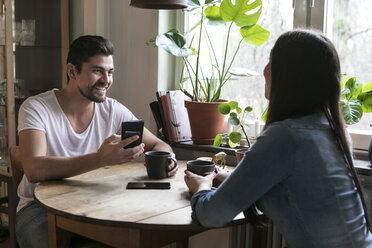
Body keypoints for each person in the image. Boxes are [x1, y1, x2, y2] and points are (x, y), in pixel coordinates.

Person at [184, 29, 372, 247]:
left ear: (290, 76)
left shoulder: (286, 137)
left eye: (271, 61)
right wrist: (230, 179)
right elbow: (294, 193)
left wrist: (202, 187)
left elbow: (211, 215)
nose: (265, 69)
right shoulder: (332, 131)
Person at [15, 35, 177, 248]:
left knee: (150, 237)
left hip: (95, 204)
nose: (106, 80)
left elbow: (158, 145)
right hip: (39, 209)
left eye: (110, 72)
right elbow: (34, 169)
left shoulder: (113, 110)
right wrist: (99, 159)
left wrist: (167, 159)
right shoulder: (36, 107)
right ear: (72, 71)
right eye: (97, 71)